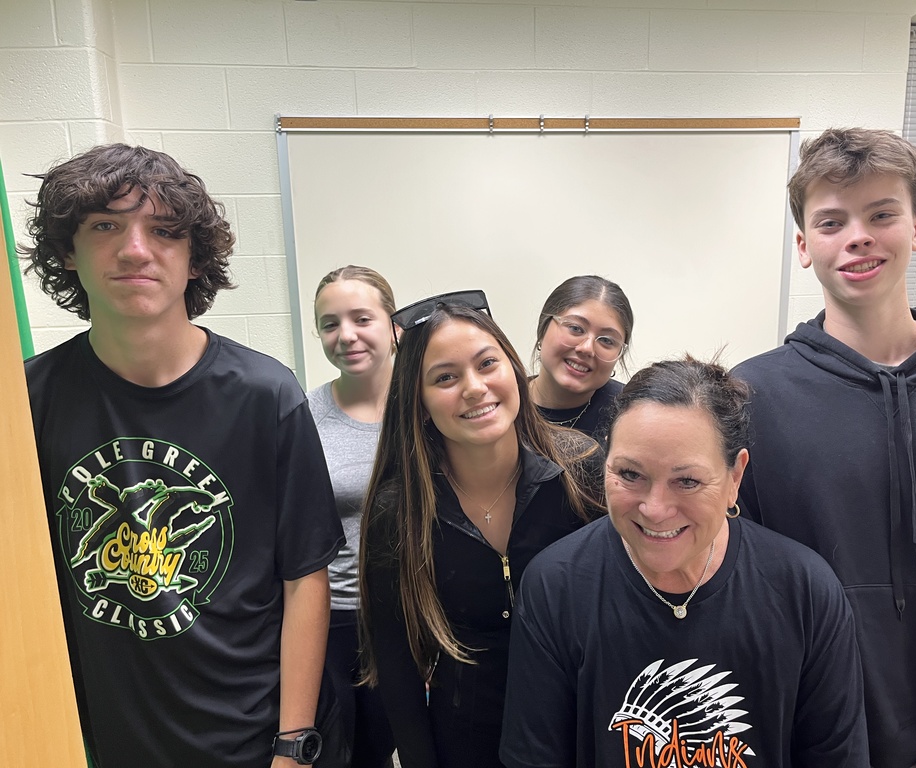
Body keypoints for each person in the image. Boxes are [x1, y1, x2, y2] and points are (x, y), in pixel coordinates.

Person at [22, 144, 345, 768]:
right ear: (68, 250)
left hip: (249, 739)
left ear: (193, 256)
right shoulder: (28, 399)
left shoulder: (266, 395)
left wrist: (293, 746)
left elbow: (304, 577)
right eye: (105, 226)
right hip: (103, 739)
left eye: (164, 231)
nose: (136, 249)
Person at [733, 128, 916, 768]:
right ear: (805, 247)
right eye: (832, 221)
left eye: (881, 214)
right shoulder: (749, 396)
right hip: (810, 742)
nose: (858, 235)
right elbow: (749, 602)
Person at [500, 357, 869, 768]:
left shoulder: (805, 591)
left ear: (735, 478)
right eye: (629, 474)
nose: (655, 509)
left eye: (687, 481)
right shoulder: (556, 588)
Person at [359, 290, 605, 768]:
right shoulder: (401, 509)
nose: (474, 387)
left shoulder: (582, 472)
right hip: (465, 738)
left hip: (580, 726)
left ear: (514, 368)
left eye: (487, 363)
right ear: (419, 399)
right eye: (445, 377)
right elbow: (396, 664)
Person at [308, 265, 396, 767]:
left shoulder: (427, 412)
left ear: (392, 325)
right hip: (333, 618)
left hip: (410, 615)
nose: (346, 336)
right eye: (329, 324)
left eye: (362, 318)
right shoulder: (305, 415)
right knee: (344, 753)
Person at [529, 275, 633, 443]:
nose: (587, 348)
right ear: (543, 328)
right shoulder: (501, 400)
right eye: (576, 328)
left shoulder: (631, 415)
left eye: (606, 340)